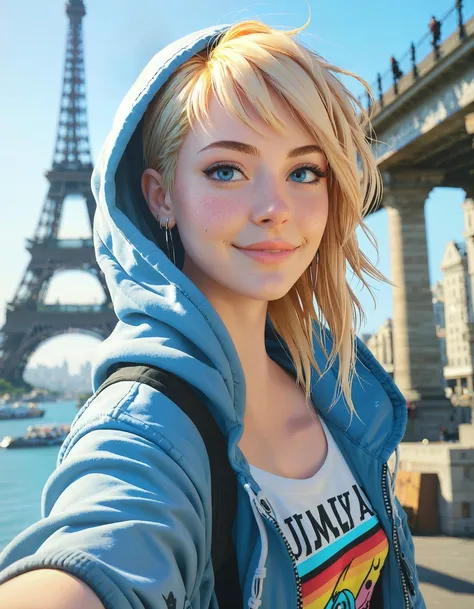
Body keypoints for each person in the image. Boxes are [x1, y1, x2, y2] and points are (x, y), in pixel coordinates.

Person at [0, 18, 425, 609]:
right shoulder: (148, 428)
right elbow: (105, 550)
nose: (275, 207)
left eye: (304, 171)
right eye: (226, 170)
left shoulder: (337, 388)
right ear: (160, 195)